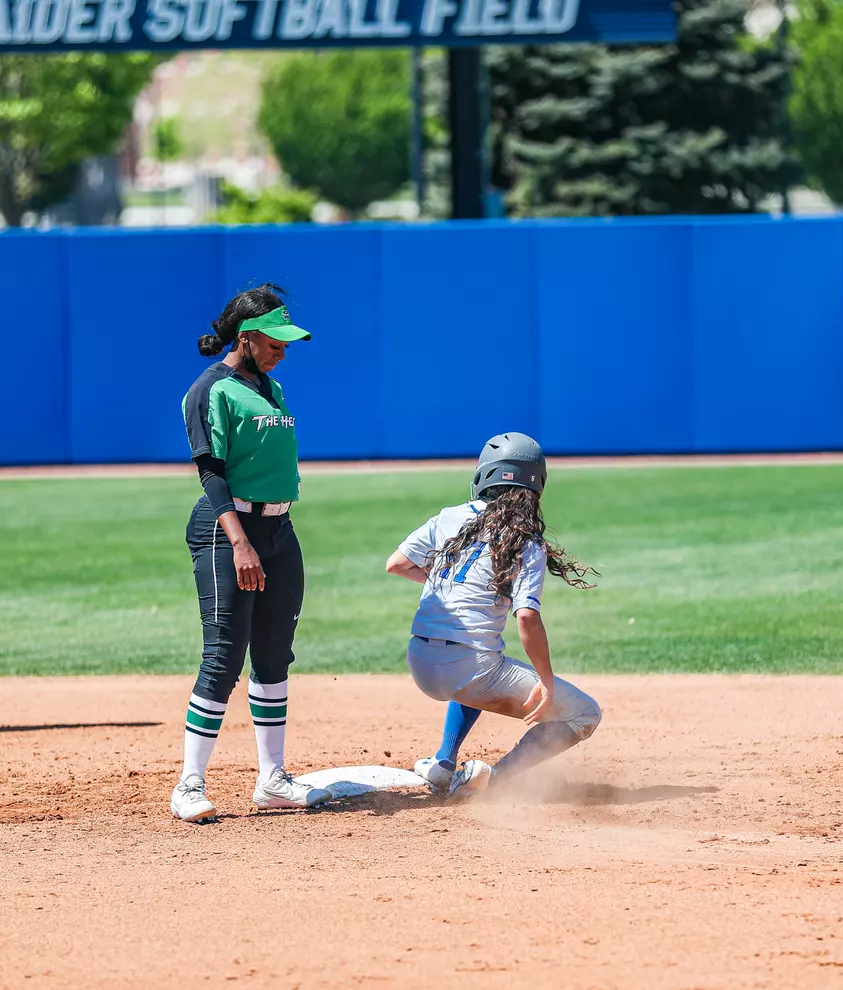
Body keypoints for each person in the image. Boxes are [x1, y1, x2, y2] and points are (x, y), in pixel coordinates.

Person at [169, 285, 332, 824]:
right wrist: (239, 541)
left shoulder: (270, 386)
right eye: (275, 340)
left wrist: (266, 536)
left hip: (280, 530)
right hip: (226, 531)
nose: (283, 349)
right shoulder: (209, 389)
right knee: (223, 656)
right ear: (246, 337)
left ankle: (272, 779)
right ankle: (189, 784)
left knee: (273, 653)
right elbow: (210, 471)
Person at [385, 433, 602, 797]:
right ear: (537, 486)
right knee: (584, 714)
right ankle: (492, 782)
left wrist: (444, 586)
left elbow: (397, 564)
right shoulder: (525, 541)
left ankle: (443, 763)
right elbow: (527, 617)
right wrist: (546, 682)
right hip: (472, 671)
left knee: (477, 660)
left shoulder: (449, 518)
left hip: (420, 662)